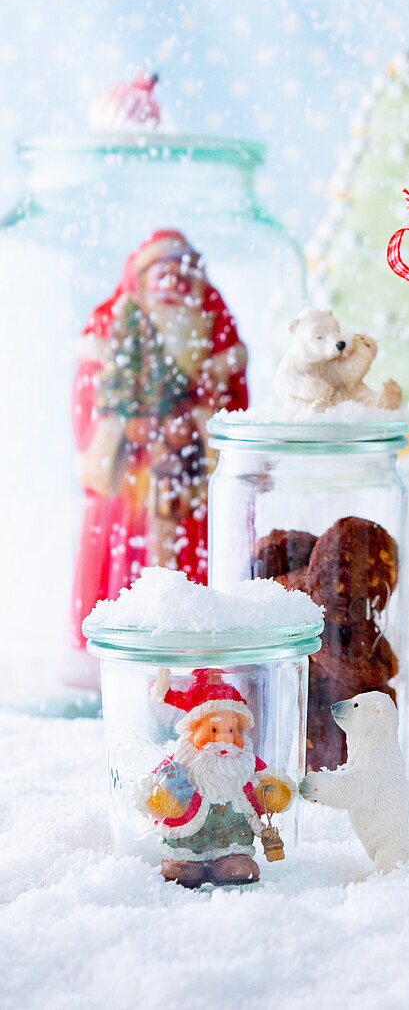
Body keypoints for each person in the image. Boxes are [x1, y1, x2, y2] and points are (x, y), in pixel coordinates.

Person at [71, 230, 247, 662]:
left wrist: (195, 426)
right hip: (130, 483)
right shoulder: (115, 335)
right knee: (123, 553)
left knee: (192, 558)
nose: (171, 287)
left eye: (179, 278)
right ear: (141, 282)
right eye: (160, 276)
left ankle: (193, 649)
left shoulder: (213, 338)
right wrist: (123, 428)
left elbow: (234, 409)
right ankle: (116, 651)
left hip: (187, 482)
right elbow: (87, 403)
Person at [140, 669, 293, 887]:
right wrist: (162, 797)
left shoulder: (245, 763)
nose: (224, 739)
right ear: (193, 730)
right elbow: (155, 783)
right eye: (213, 729)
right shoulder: (181, 763)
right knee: (184, 858)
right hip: (189, 836)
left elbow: (266, 777)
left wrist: (274, 791)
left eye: (231, 729)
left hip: (232, 835)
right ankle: (184, 863)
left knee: (234, 857)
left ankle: (232, 860)